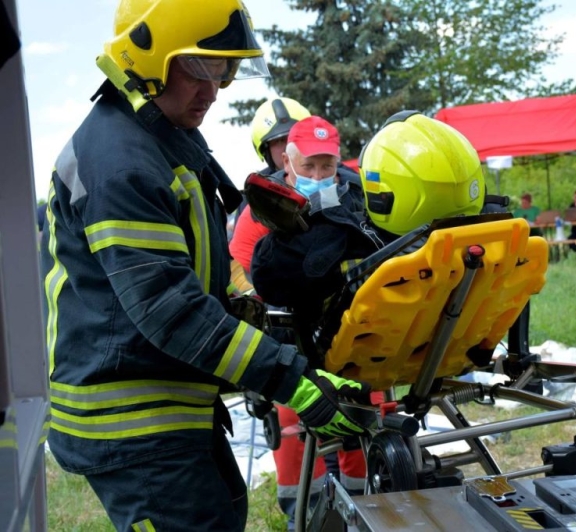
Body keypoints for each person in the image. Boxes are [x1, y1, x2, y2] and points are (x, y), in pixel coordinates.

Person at [39, 2, 371, 530]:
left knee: (221, 512)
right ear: (146, 57)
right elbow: (171, 311)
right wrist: (295, 382)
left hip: (167, 402)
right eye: (199, 68)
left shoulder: (159, 138)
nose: (214, 89)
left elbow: (191, 284)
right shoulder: (122, 162)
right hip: (133, 420)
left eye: (224, 71)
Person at [247, 116, 375, 529]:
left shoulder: (357, 200)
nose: (319, 177)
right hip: (294, 339)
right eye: (309, 168)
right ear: (288, 162)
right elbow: (244, 267)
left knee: (362, 414)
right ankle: (302, 517)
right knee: (293, 430)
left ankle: (365, 510)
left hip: (354, 336)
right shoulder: (263, 205)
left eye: (327, 167)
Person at [229, 97, 312, 293]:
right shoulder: (256, 197)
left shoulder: (337, 178)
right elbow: (240, 267)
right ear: (266, 150)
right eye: (280, 141)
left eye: (294, 138)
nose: (288, 146)